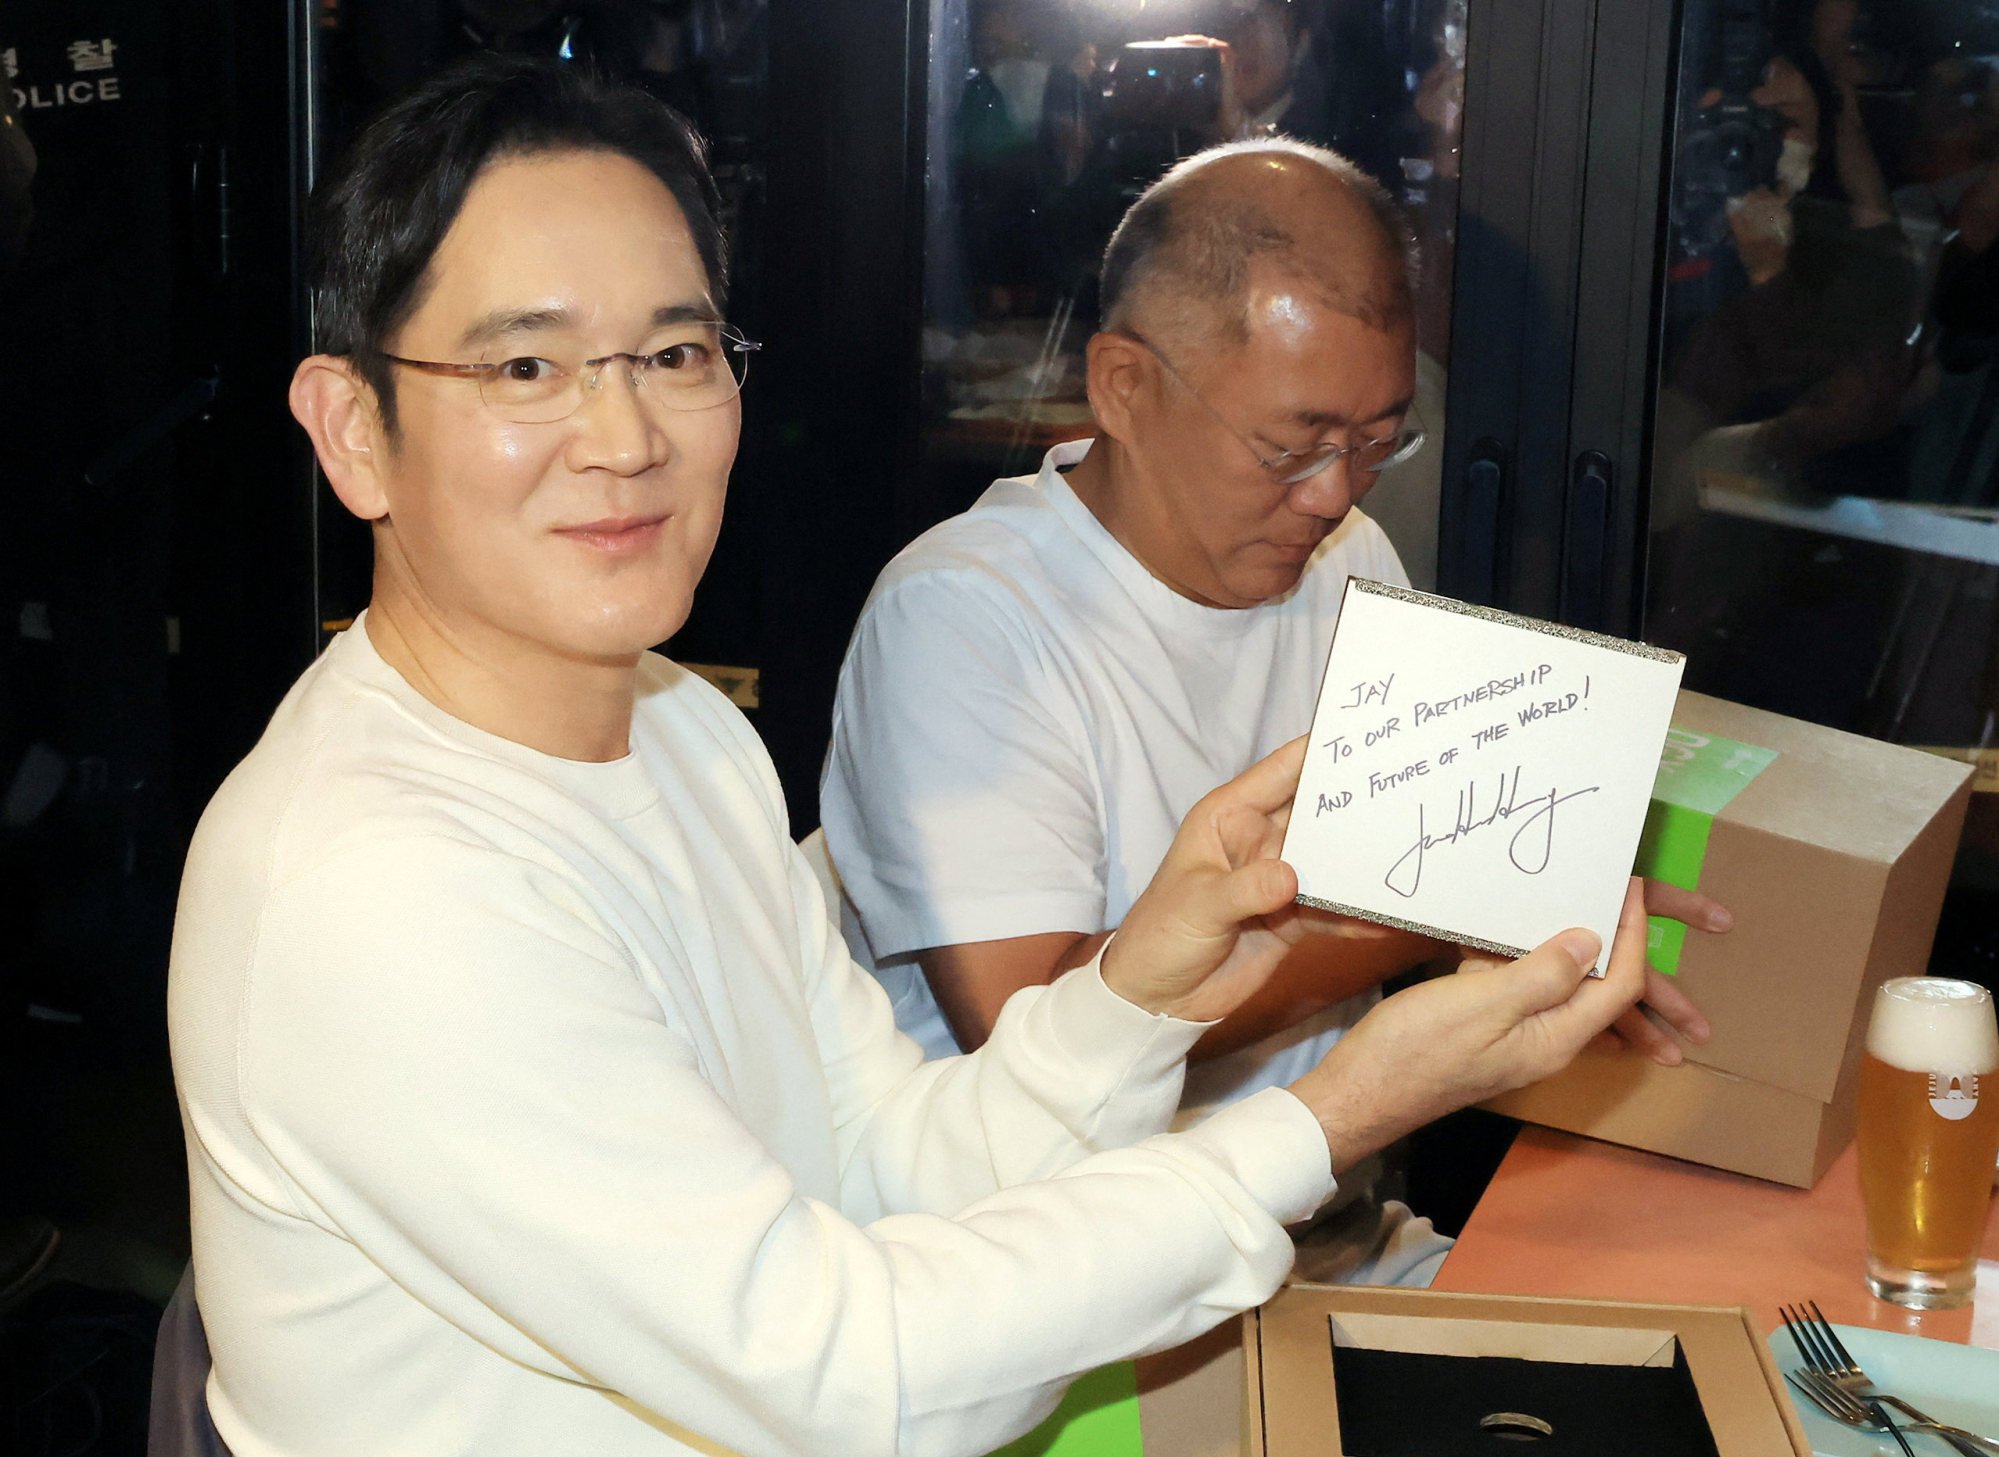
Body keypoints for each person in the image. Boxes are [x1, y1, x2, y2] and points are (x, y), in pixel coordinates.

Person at [168, 56, 1651, 1456]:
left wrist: (1140, 984)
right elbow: (850, 1381)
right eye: (524, 369)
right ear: (353, 431)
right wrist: (1331, 1115)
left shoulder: (679, 730)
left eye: (675, 351)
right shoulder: (377, 889)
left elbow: (886, 1162)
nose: (621, 435)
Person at [821, 137, 1723, 1285]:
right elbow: (1036, 1029)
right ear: (1124, 386)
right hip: (1068, 1268)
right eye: (1291, 444)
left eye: (1376, 441)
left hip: (1326, 1229)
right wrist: (1462, 901)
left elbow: (1442, 867)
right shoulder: (967, 616)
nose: (1334, 491)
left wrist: (1550, 884)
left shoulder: (1349, 554)